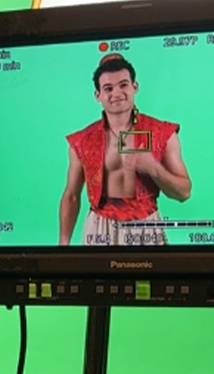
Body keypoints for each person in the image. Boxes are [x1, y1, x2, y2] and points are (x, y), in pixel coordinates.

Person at [59, 54, 192, 246]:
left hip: (147, 227)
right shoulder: (82, 141)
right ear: (98, 95)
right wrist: (63, 244)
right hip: (98, 229)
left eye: (123, 85)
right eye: (108, 88)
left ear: (134, 87)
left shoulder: (162, 133)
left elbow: (184, 193)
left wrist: (154, 169)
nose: (117, 93)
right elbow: (71, 195)